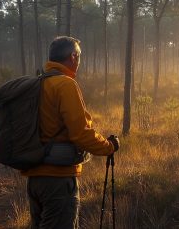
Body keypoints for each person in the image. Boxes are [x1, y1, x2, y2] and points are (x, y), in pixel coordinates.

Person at [22, 36, 120, 229]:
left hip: (35, 178)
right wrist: (108, 146)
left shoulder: (38, 84)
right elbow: (80, 134)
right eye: (79, 56)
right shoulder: (65, 85)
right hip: (58, 179)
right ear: (73, 57)